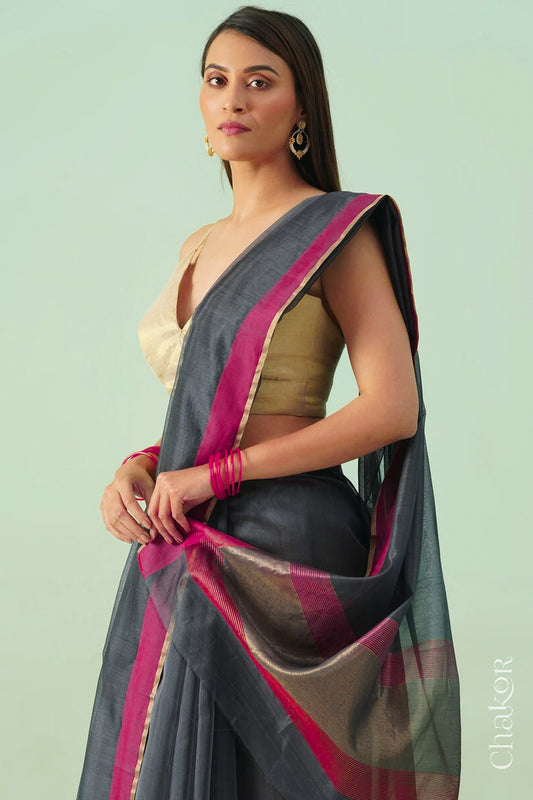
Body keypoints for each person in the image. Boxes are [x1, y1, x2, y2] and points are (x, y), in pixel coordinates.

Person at [77, 6, 461, 800]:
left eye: (259, 82)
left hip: (283, 541)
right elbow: (203, 407)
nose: (233, 99)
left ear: (300, 106)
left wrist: (216, 476)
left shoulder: (335, 231)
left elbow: (391, 408)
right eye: (216, 80)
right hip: (186, 533)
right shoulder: (197, 244)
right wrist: (138, 469)